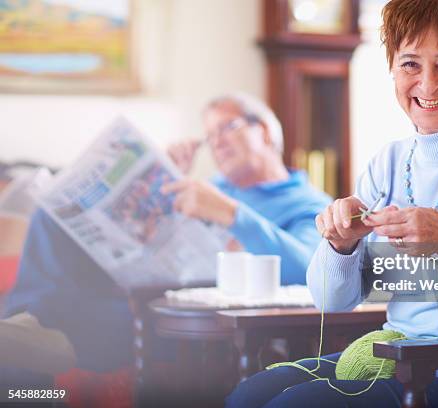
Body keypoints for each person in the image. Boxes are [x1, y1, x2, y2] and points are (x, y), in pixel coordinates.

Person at [226, 1, 438, 407]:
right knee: (248, 396)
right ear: (391, 67)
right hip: (400, 360)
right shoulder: (387, 163)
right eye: (410, 64)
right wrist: (341, 244)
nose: (427, 84)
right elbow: (331, 301)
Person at [0, 93, 330, 380]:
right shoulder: (207, 188)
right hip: (143, 295)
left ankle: (33, 333)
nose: (216, 142)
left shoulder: (309, 204)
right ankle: (29, 321)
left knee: (36, 343)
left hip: (203, 323)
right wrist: (164, 179)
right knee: (55, 215)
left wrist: (233, 215)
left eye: (227, 127)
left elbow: (312, 270)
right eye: (209, 136)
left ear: (266, 131)